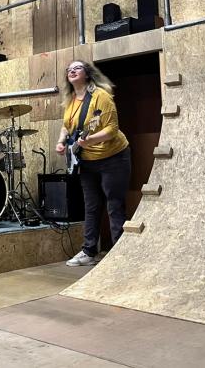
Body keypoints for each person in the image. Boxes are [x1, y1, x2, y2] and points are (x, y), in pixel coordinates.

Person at [55, 60, 131, 267]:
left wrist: (90, 140)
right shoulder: (71, 100)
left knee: (114, 205)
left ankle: (118, 253)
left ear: (87, 74)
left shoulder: (101, 96)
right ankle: (89, 251)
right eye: (68, 68)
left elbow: (112, 129)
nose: (71, 70)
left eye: (77, 68)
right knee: (91, 206)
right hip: (87, 161)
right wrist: (62, 142)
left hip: (113, 157)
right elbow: (66, 126)